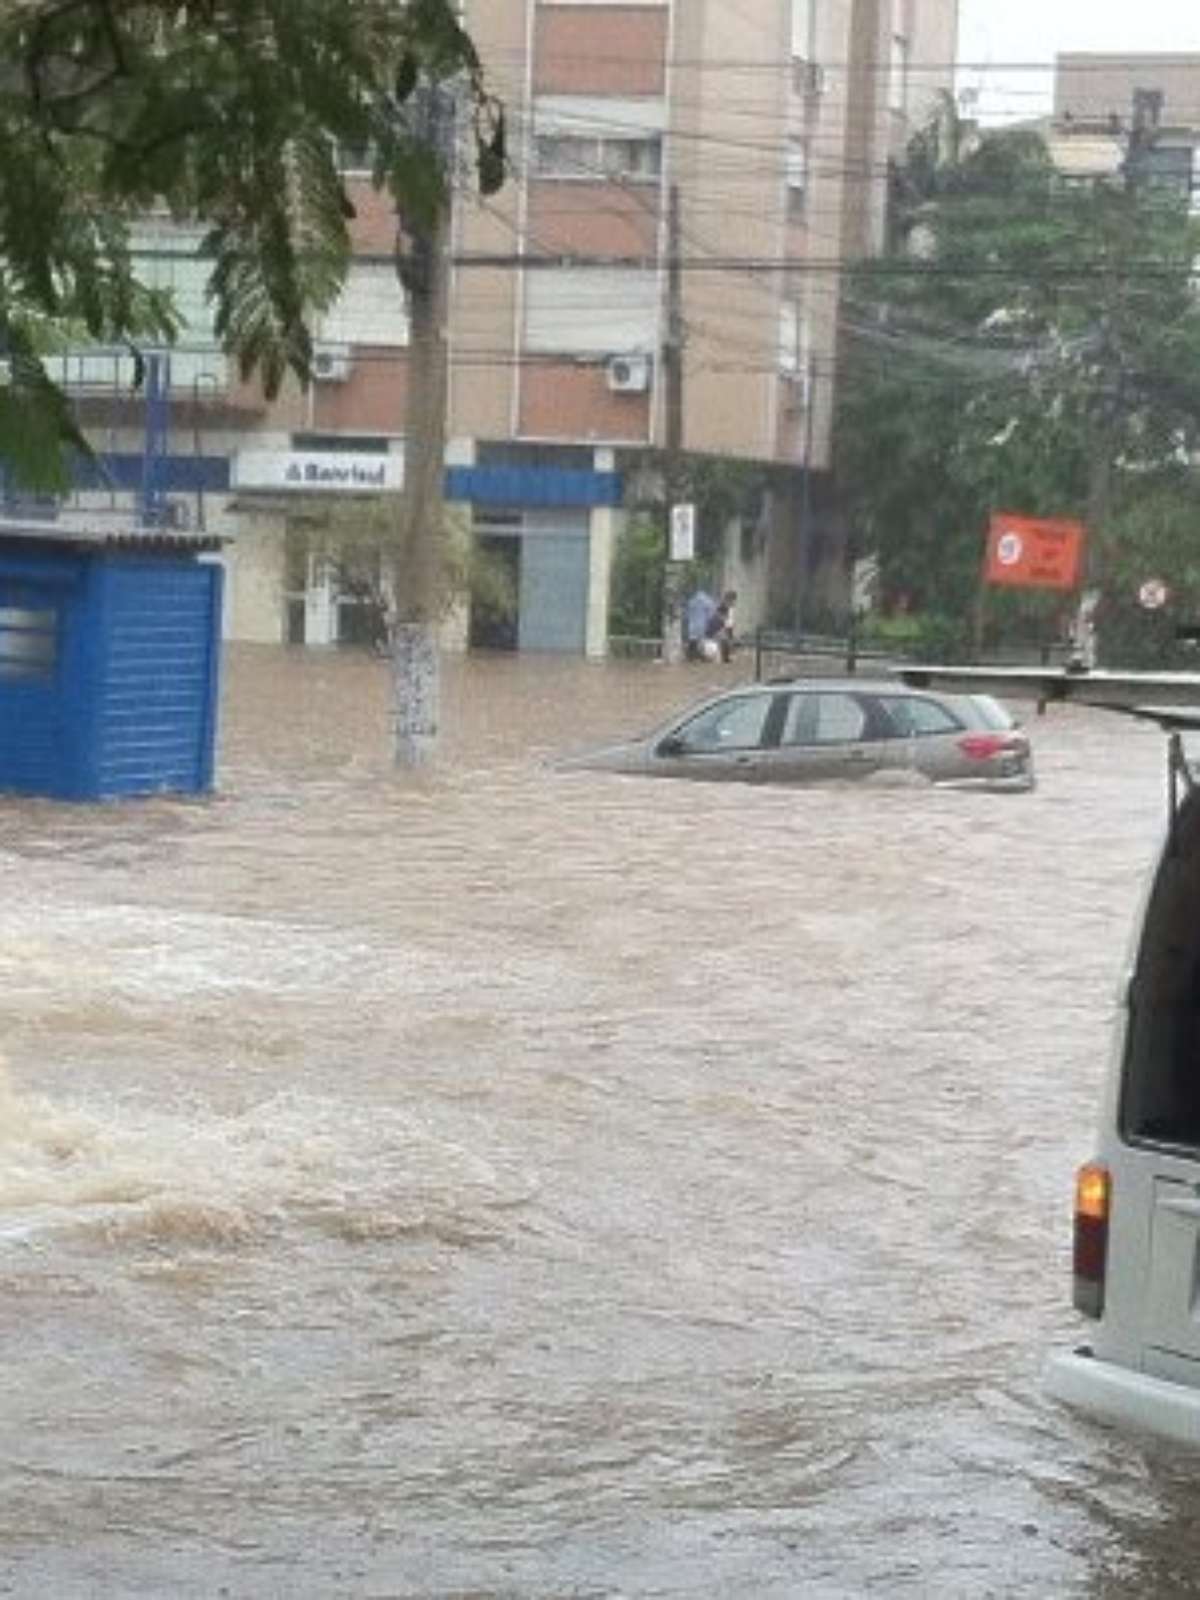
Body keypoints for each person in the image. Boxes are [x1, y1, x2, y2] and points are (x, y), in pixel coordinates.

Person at [706, 589, 738, 663]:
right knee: (725, 637)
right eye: (732, 601)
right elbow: (723, 626)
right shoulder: (720, 609)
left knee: (728, 637)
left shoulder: (729, 609)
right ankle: (725, 656)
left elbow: (729, 628)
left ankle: (726, 655)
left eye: (734, 600)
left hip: (718, 636)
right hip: (711, 638)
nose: (734, 603)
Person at [684, 586, 716, 660]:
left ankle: (691, 657)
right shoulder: (708, 601)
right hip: (703, 624)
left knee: (693, 640)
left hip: (692, 625)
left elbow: (686, 615)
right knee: (702, 641)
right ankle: (702, 656)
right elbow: (711, 614)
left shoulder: (691, 601)